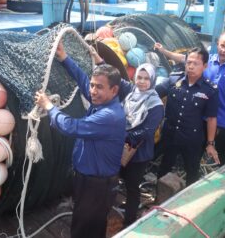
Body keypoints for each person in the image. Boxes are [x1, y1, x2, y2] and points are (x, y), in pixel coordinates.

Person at [35, 42, 126, 238]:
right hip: (89, 181)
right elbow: (83, 81)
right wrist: (64, 58)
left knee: (83, 229)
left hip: (96, 186)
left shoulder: (109, 116)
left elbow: (70, 127)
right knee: (92, 225)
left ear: (114, 90)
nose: (92, 91)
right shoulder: (101, 101)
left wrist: (49, 106)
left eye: (99, 87)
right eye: (93, 85)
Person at [154, 30, 225, 166]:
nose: (224, 50)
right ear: (217, 44)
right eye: (222, 45)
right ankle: (193, 171)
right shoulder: (208, 62)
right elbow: (185, 58)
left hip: (223, 117)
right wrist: (164, 51)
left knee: (223, 149)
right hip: (201, 115)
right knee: (198, 148)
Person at [157, 47, 219, 186]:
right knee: (164, 168)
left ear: (204, 66)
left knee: (192, 171)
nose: (190, 66)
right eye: (188, 62)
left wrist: (210, 144)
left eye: (195, 63)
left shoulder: (210, 90)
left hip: (192, 139)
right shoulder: (173, 80)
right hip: (170, 136)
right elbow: (154, 93)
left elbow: (211, 118)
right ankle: (159, 200)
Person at [118, 63, 164, 227]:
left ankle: (129, 222)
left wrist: (120, 135)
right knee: (119, 179)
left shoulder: (156, 104)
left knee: (132, 186)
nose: (142, 82)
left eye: (146, 78)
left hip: (139, 153)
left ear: (152, 80)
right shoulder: (131, 93)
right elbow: (114, 75)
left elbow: (146, 131)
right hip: (121, 148)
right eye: (139, 77)